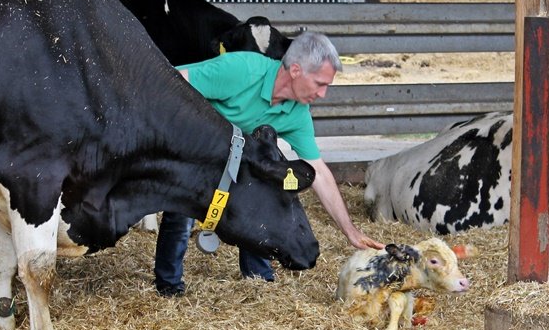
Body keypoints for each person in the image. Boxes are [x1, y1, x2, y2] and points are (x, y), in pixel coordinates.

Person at [154, 31, 383, 295]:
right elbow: (169, 85)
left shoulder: (297, 113)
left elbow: (318, 170)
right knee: (181, 214)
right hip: (192, 149)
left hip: (235, 161)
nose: (323, 94)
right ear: (296, 70)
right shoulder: (241, 71)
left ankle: (259, 279)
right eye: (320, 83)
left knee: (261, 197)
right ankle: (169, 286)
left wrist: (350, 231)